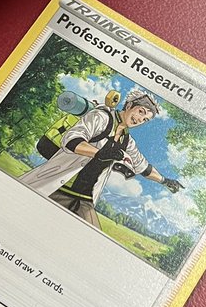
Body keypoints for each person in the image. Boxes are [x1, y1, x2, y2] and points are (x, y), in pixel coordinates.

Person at [19, 88, 182, 227]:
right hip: (57, 186)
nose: (140, 119)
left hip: (85, 200)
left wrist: (165, 181)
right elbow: (71, 140)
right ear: (129, 105)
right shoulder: (101, 117)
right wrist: (100, 153)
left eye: (145, 119)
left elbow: (143, 167)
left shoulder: (127, 141)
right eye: (141, 112)